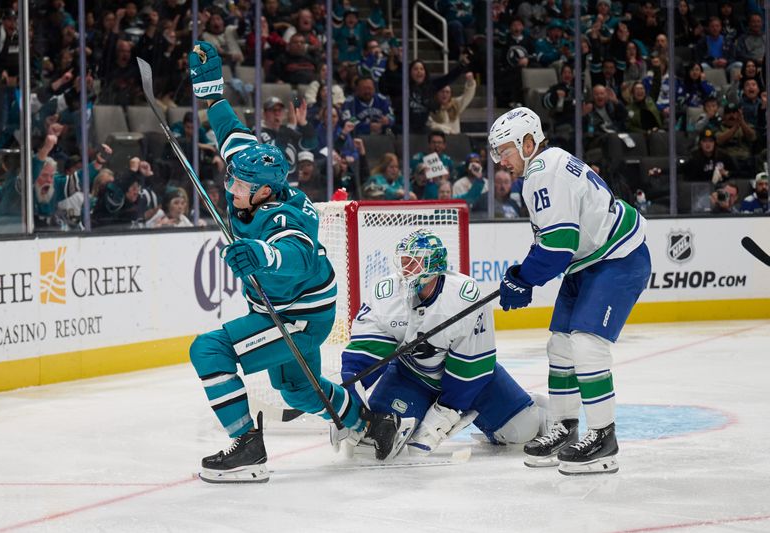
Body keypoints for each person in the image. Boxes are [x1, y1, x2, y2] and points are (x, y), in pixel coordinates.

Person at [186, 42, 405, 483]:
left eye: (240, 183)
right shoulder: (255, 170)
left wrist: (262, 255)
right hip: (294, 310)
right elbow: (230, 133)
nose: (230, 186)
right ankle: (370, 424)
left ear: (264, 191)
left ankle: (248, 445)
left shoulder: (284, 215)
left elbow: (298, 254)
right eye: (232, 177)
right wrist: (211, 92)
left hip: (297, 316)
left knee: (208, 349)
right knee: (297, 387)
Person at [488, 107, 651, 475]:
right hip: (589, 260)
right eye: (497, 152)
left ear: (528, 142)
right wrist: (522, 275)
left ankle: (603, 437)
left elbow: (560, 244)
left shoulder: (544, 171)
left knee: (587, 345)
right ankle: (564, 427)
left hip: (618, 257)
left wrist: (523, 278)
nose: (501, 160)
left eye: (505, 150)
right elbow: (553, 242)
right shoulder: (545, 167)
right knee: (560, 345)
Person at [339, 229, 546, 457]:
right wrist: (351, 403)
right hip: (411, 375)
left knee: (522, 431)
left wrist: (442, 415)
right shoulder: (386, 294)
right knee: (372, 445)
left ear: (434, 265)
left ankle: (519, 404)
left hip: (474, 383)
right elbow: (362, 358)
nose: (406, 270)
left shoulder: (463, 297)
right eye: (404, 262)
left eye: (415, 262)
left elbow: (471, 370)